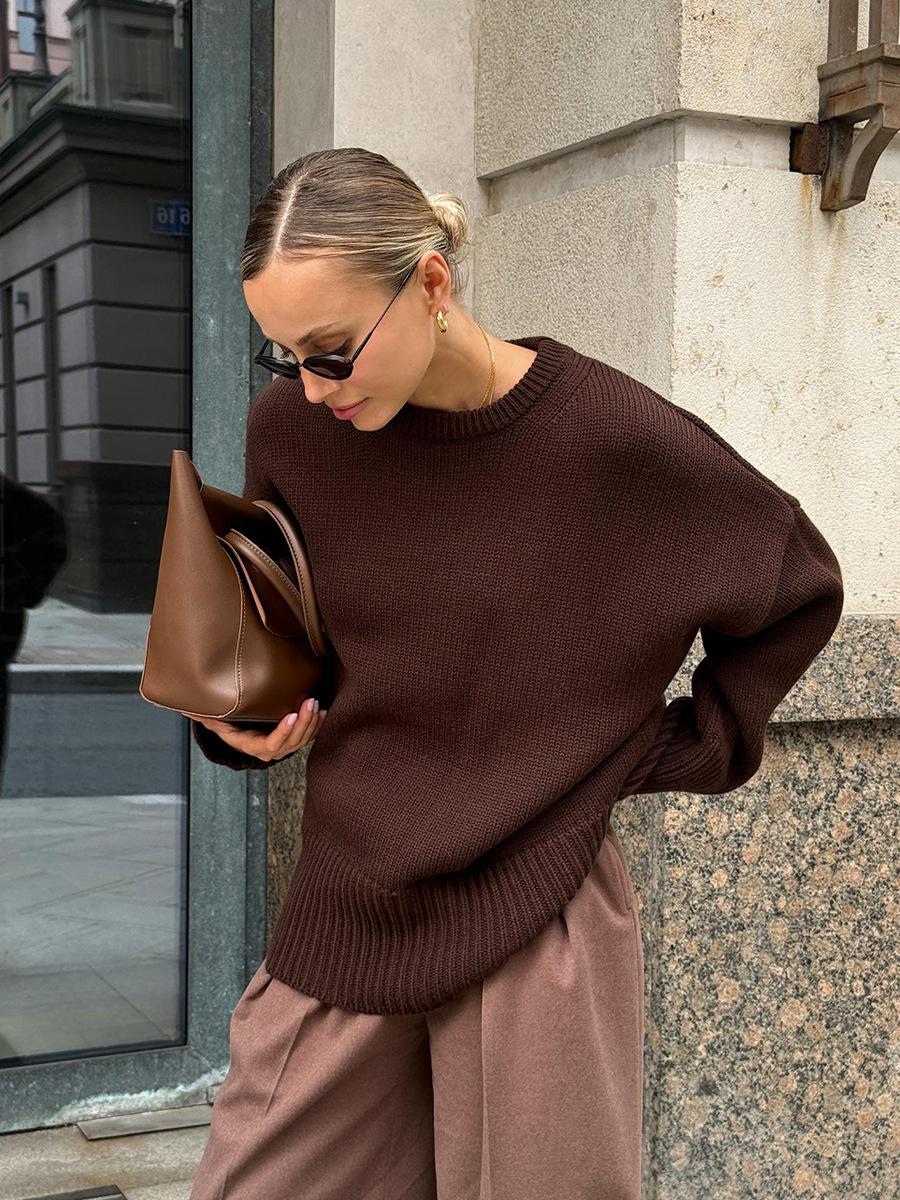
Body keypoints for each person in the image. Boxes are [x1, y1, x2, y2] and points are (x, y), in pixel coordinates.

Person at [186, 147, 844, 1200]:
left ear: (431, 282)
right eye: (285, 357)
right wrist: (240, 719)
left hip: (540, 912)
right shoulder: (296, 433)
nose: (310, 388)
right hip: (351, 902)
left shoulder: (610, 439)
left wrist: (669, 749)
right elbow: (286, 628)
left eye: (333, 352)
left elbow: (797, 587)